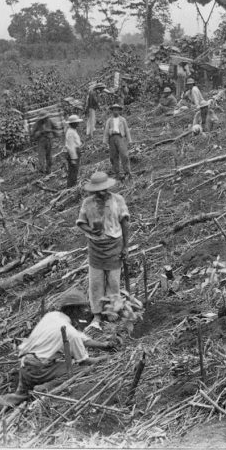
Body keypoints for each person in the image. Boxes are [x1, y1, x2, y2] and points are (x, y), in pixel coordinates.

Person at [0, 289, 115, 426]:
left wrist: (104, 345)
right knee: (75, 370)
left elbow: (81, 339)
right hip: (39, 368)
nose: (84, 312)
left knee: (18, 396)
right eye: (81, 309)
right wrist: (104, 360)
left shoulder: (52, 317)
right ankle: (44, 389)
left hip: (25, 364)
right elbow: (84, 361)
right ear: (73, 310)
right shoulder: (70, 331)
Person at [75, 172, 130, 332]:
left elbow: (125, 224)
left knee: (113, 282)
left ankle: (112, 312)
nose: (101, 193)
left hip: (114, 246)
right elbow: (81, 222)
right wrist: (91, 229)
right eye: (97, 190)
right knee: (96, 283)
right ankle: (97, 314)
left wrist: (126, 246)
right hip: (95, 248)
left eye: (104, 189)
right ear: (92, 191)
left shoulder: (117, 200)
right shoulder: (88, 203)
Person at [102, 104, 132, 180]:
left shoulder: (122, 119)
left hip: (120, 137)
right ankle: (117, 173)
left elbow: (126, 130)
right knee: (113, 156)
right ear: (112, 111)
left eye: (117, 109)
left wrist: (130, 140)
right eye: (114, 110)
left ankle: (127, 172)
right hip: (112, 138)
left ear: (119, 111)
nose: (115, 111)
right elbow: (106, 131)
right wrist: (105, 142)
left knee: (124, 155)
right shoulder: (109, 120)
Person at [31, 110, 57, 175]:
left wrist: (51, 132)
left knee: (49, 156)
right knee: (41, 156)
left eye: (45, 117)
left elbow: (55, 128)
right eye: (43, 118)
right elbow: (32, 133)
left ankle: (49, 170)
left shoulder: (50, 121)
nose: (45, 119)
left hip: (49, 140)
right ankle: (42, 171)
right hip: (41, 141)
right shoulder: (37, 123)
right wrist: (39, 132)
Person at [64, 114, 83, 187]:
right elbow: (71, 146)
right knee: (73, 171)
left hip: (75, 151)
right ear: (73, 123)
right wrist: (73, 158)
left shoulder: (72, 130)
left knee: (74, 170)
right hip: (73, 153)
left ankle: (72, 185)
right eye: (76, 122)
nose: (78, 124)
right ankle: (71, 186)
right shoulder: (71, 132)